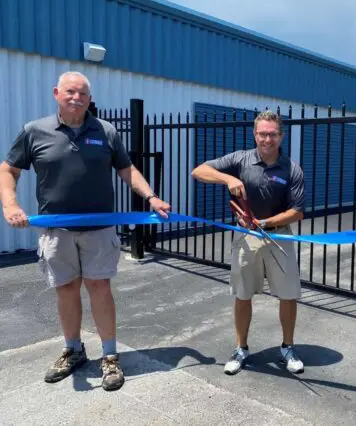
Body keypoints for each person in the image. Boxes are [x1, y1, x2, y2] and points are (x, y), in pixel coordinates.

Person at [0, 71, 170, 391]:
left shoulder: (105, 131)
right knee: (66, 289)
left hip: (99, 230)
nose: (76, 98)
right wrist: (10, 205)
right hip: (56, 230)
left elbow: (126, 168)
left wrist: (151, 196)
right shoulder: (35, 131)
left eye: (82, 93)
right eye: (70, 92)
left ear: (90, 98)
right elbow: (8, 169)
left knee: (99, 288)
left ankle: (109, 356)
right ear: (56, 93)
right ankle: (74, 350)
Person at [191, 110, 305, 375]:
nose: (267, 139)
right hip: (245, 236)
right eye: (263, 133)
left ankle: (287, 347)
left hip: (279, 235)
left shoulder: (292, 168)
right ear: (255, 134)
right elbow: (199, 171)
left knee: (288, 295)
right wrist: (228, 178)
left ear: (281, 136)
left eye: (273, 134)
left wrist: (264, 223)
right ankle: (241, 348)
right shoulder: (239, 159)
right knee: (243, 295)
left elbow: (297, 211)